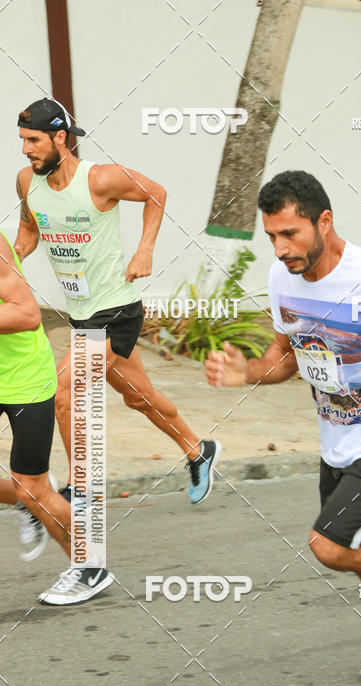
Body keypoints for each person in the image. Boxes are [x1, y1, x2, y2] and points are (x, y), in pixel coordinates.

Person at [205, 171, 361, 683]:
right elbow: (288, 356)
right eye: (272, 236)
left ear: (324, 221)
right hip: (338, 440)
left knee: (330, 545)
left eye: (291, 234)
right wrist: (249, 371)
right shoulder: (284, 278)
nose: (280, 249)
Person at [14, 97, 220, 506]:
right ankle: (199, 450)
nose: (25, 149)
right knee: (139, 396)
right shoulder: (26, 181)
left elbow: (156, 194)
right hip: (82, 313)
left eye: (34, 140)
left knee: (63, 391)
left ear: (61, 138)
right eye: (22, 140)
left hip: (115, 311)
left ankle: (82, 489)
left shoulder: (100, 180)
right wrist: (9, 265)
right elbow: (28, 232)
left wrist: (145, 250)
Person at [0, 230, 112, 605]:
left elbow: (28, 313)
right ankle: (23, 501)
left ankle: (90, 566)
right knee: (25, 491)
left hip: (24, 380)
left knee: (32, 485)